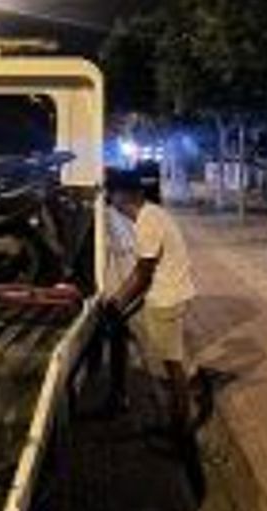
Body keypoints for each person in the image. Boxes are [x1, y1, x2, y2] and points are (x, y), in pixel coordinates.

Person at [103, 168, 198, 437]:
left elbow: (143, 272)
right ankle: (180, 419)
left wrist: (118, 301)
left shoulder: (147, 221)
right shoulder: (153, 214)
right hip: (173, 293)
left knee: (170, 366)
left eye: (111, 195)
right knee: (172, 362)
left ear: (122, 195)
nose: (111, 201)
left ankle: (180, 425)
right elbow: (143, 271)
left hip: (166, 299)